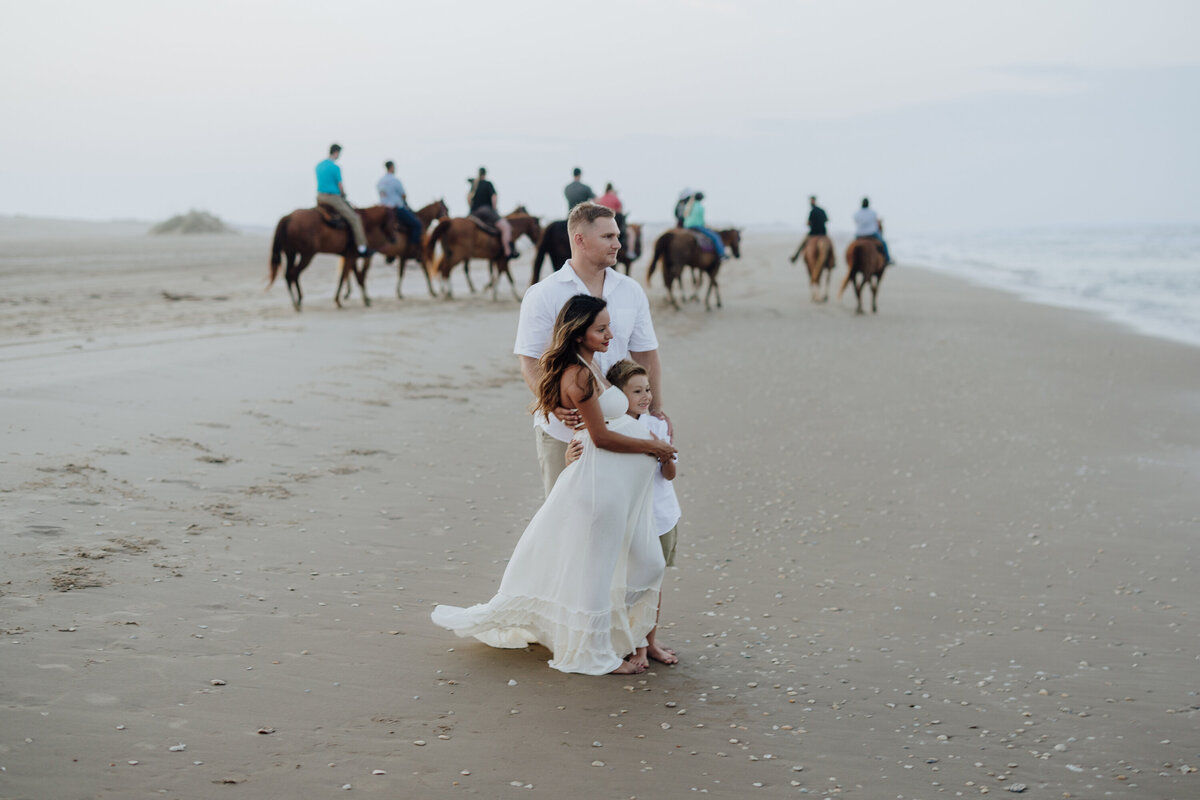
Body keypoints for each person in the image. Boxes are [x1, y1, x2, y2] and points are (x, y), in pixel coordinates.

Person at [431, 295, 677, 675]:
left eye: (609, 326)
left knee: (642, 562)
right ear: (578, 333)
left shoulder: (590, 365)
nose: (610, 334)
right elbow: (602, 437)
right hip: (600, 486)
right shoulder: (578, 375)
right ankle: (591, 653)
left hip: (614, 485)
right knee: (598, 570)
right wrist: (654, 446)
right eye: (601, 328)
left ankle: (615, 639)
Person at [515, 201, 667, 498]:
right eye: (608, 237)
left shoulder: (630, 290)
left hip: (623, 426)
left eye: (617, 236)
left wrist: (655, 412)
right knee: (566, 522)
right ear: (580, 240)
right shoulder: (544, 294)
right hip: (564, 432)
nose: (618, 244)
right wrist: (552, 405)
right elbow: (530, 362)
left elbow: (647, 355)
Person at [577, 359, 681, 667]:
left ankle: (648, 641)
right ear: (619, 396)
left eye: (647, 389)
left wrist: (663, 452)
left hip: (660, 514)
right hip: (625, 518)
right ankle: (628, 641)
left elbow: (671, 475)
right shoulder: (607, 427)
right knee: (624, 581)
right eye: (637, 391)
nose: (646, 396)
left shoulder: (658, 425)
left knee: (653, 579)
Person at [316, 143, 369, 255]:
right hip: (332, 198)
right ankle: (362, 246)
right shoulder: (335, 167)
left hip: (320, 197)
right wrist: (344, 195)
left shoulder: (319, 166)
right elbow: (340, 185)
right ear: (336, 153)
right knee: (355, 218)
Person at [468, 167, 518, 259]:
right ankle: (508, 251)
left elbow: (468, 199)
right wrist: (494, 209)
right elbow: (494, 197)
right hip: (486, 210)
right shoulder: (488, 184)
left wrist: (472, 208)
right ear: (485, 174)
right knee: (506, 227)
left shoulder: (474, 185)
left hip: (474, 213)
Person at [376, 160, 422, 245]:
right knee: (417, 225)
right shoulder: (395, 180)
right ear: (392, 167)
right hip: (396, 209)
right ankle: (412, 246)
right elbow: (403, 195)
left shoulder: (380, 181)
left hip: (383, 209)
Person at [683, 191, 726, 260]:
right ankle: (722, 255)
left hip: (686, 227)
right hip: (697, 226)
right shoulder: (700, 207)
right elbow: (701, 222)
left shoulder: (689, 205)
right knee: (715, 237)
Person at [790, 195, 830, 263]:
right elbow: (827, 219)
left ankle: (795, 256)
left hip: (813, 233)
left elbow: (808, 223)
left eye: (811, 200)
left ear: (813, 201)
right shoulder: (822, 210)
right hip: (823, 233)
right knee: (830, 244)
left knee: (803, 242)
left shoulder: (812, 211)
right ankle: (833, 261)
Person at [853, 197, 892, 264]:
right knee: (883, 243)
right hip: (871, 233)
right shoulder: (873, 213)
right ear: (868, 204)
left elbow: (856, 222)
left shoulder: (856, 213)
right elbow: (876, 222)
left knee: (853, 245)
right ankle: (887, 259)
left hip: (859, 235)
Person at [595, 183, 628, 258]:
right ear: (611, 189)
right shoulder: (615, 198)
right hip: (614, 223)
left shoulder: (601, 198)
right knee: (629, 233)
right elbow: (620, 210)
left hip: (601, 224)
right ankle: (629, 251)